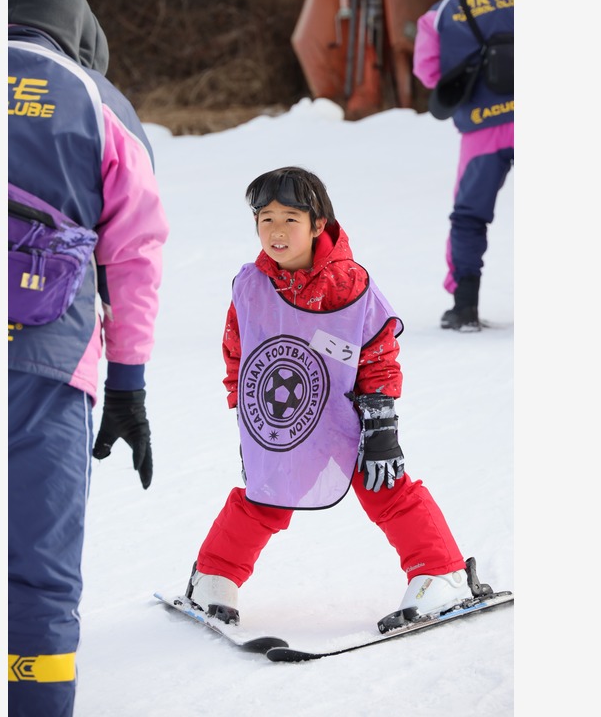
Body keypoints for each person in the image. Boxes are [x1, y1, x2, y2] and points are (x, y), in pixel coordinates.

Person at [184, 166, 484, 629]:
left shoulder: (347, 284)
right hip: (288, 420)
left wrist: (381, 424)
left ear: (318, 223)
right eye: (265, 219)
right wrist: (248, 418)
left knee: (385, 489)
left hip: (347, 417)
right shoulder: (251, 285)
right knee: (266, 493)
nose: (277, 232)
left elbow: (378, 351)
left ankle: (442, 574)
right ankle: (213, 576)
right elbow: (238, 352)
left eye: (290, 219)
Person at [8, 0, 169, 714]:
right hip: (46, 366)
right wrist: (128, 387)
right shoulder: (96, 102)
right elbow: (134, 256)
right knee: (37, 572)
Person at [413, 0, 514, 331]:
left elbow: (428, 74)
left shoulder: (441, 14)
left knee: (469, 216)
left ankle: (464, 307)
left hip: (482, 131)